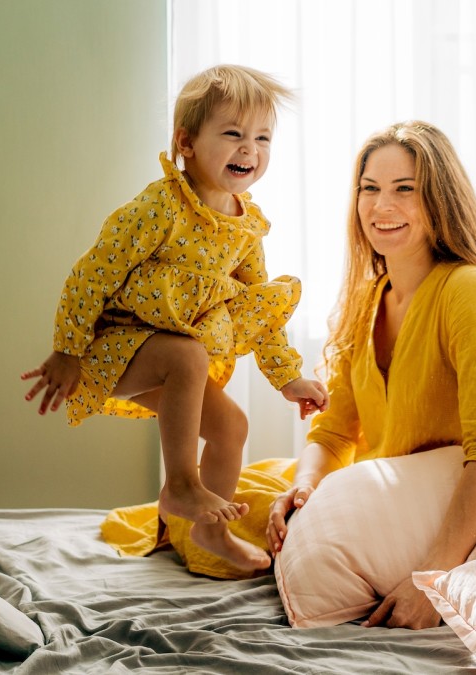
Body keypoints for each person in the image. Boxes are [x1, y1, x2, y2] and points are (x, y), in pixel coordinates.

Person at [22, 64, 328, 574]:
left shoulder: (244, 226)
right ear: (186, 142)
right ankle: (181, 485)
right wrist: (67, 350)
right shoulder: (159, 207)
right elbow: (89, 275)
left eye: (262, 137)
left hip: (170, 361)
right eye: (232, 134)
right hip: (113, 348)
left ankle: (211, 532)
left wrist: (288, 377)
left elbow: (256, 310)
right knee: (189, 354)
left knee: (232, 425)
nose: (249, 149)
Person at [265, 120, 476, 629]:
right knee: (233, 502)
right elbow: (334, 432)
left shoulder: (471, 292)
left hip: (441, 510)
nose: (382, 206)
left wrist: (434, 577)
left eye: (405, 190)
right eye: (370, 189)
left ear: (440, 201)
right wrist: (304, 487)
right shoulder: (366, 301)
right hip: (381, 493)